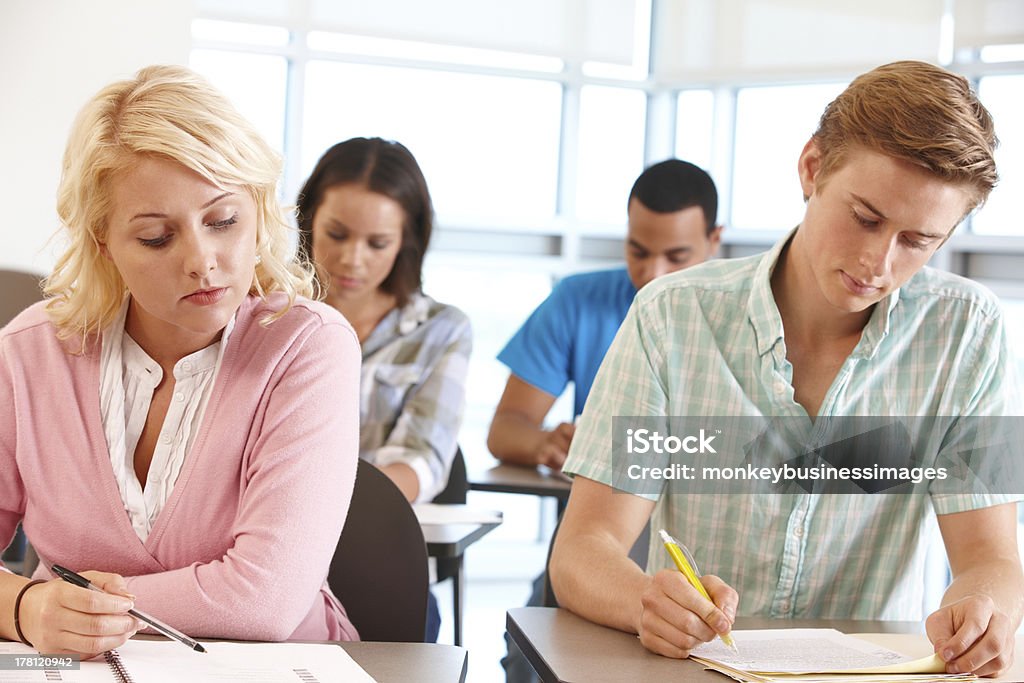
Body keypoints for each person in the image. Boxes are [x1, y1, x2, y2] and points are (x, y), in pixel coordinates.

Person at [549, 60, 1023, 678]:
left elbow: (991, 556)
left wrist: (987, 608)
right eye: (866, 217)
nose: (878, 263)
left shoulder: (969, 331)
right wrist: (644, 600)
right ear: (812, 167)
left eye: (918, 241)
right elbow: (586, 548)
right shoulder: (672, 315)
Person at [0, 65, 361, 657]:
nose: (202, 260)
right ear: (102, 243)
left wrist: (76, 606)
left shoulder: (308, 345)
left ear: (258, 210)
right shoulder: (27, 354)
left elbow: (262, 601)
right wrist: (25, 608)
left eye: (223, 221)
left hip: (283, 668)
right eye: (156, 238)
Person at [296, 137, 471, 641]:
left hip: (369, 553)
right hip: (259, 548)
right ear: (308, 221)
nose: (353, 260)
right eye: (336, 234)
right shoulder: (265, 308)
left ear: (407, 241)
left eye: (377, 244)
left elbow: (421, 458)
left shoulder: (443, 329)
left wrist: (317, 508)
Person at [487, 159, 721, 470]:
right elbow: (504, 429)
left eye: (676, 257)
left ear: (714, 240)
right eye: (638, 251)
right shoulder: (577, 301)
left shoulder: (754, 313)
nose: (653, 273)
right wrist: (545, 444)